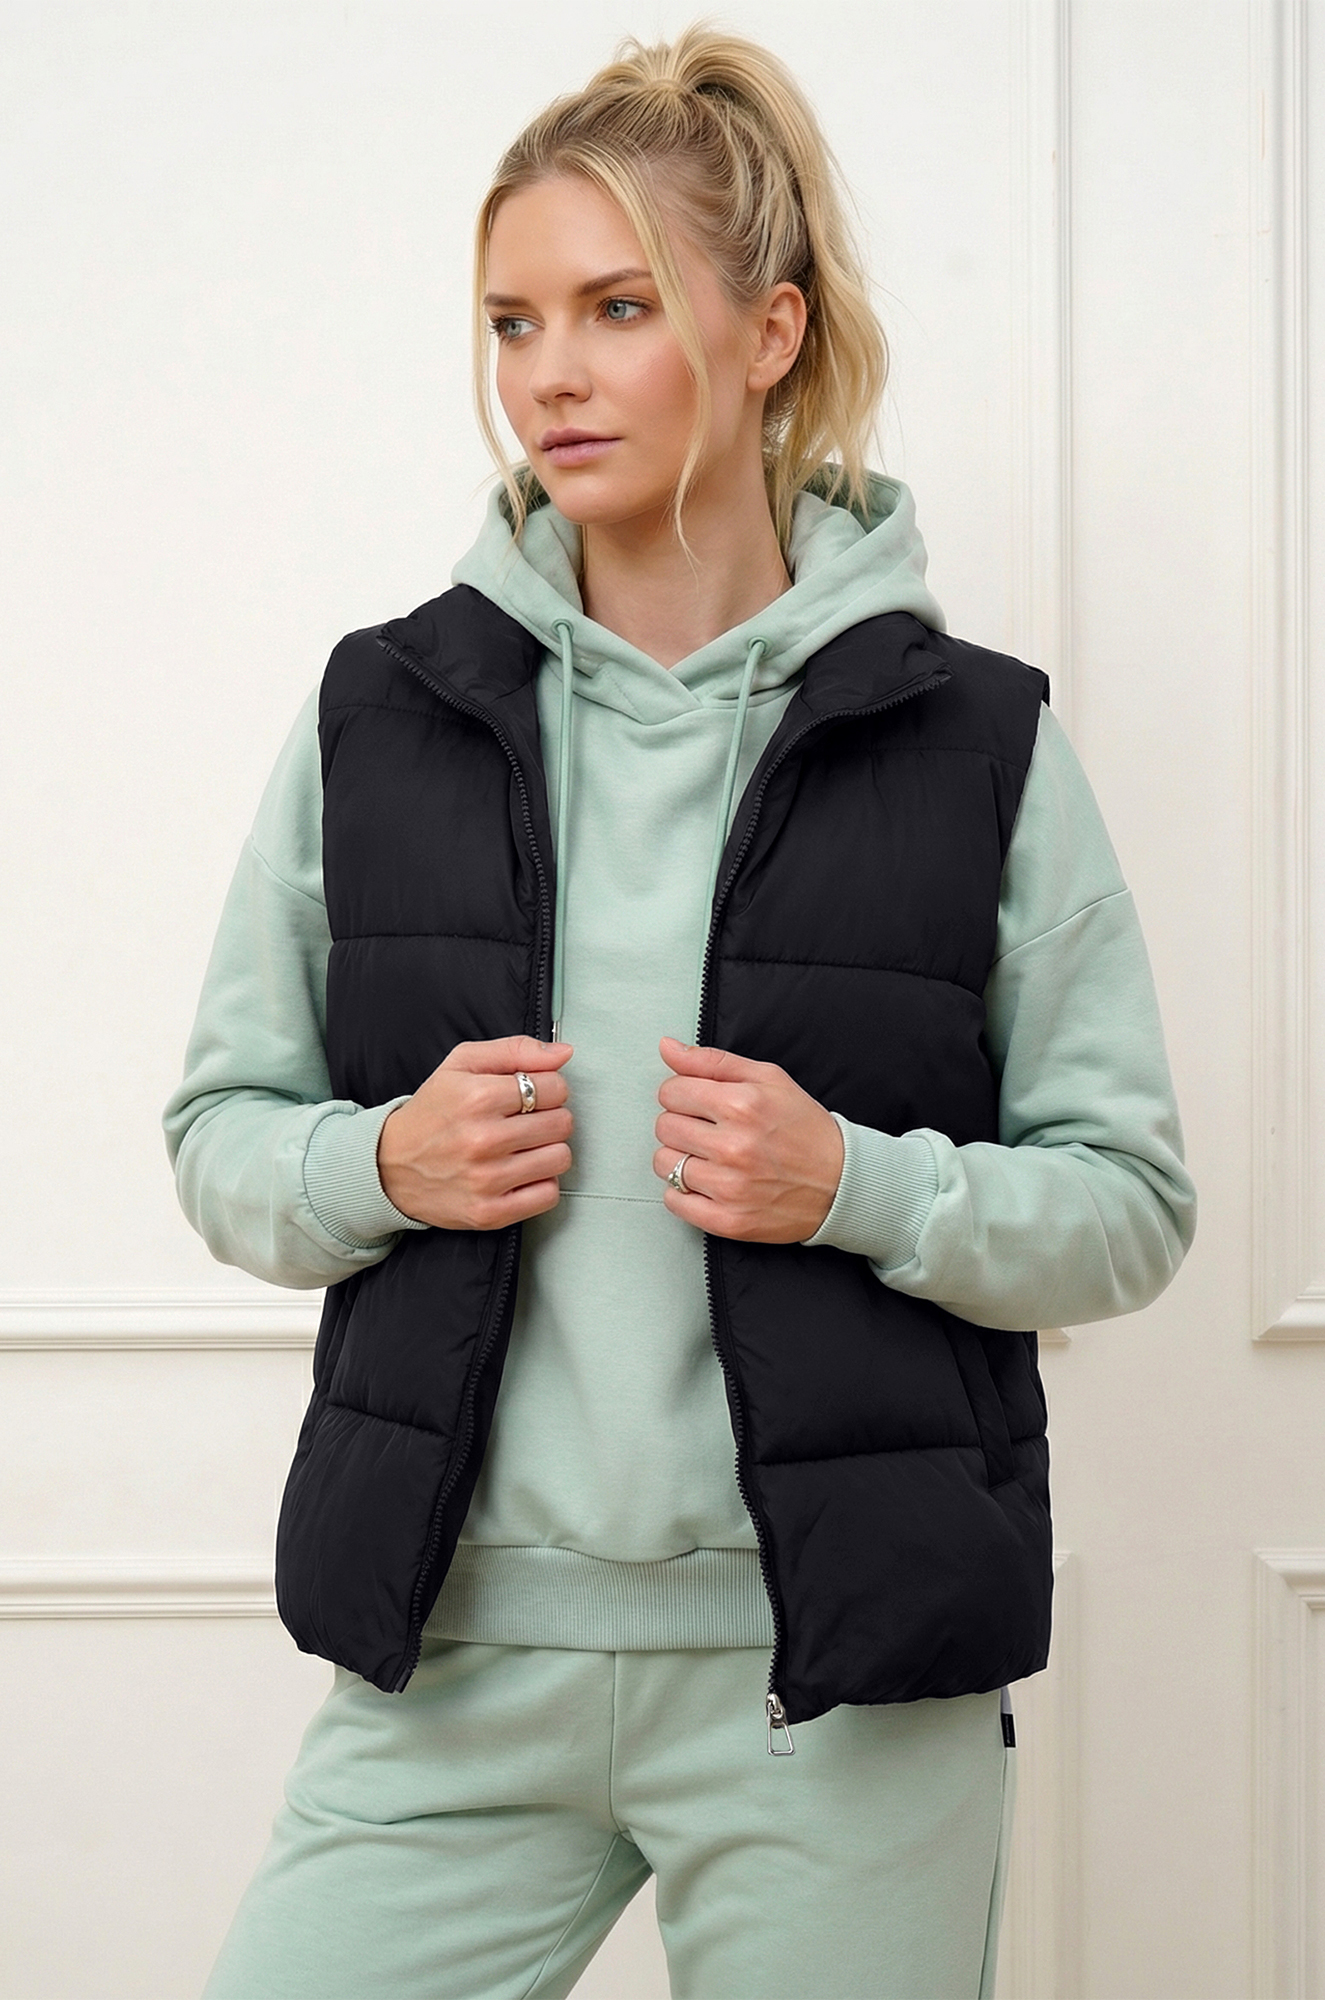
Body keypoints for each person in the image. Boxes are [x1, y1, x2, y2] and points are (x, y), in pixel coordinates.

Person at [165, 25, 1195, 2000]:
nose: (548, 371)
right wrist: (385, 1161)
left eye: (617, 307)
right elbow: (221, 1135)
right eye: (513, 320)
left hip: (839, 1682)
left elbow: (1129, 1204)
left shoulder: (973, 743)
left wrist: (858, 1187)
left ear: (768, 331)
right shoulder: (383, 716)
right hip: (454, 1661)